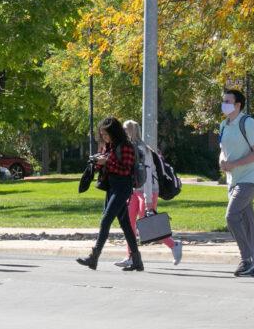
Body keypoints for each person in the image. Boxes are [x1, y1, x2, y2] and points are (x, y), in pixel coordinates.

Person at [77, 116, 144, 272]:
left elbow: (125, 169)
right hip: (111, 187)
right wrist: (97, 162)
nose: (104, 138)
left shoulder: (125, 146)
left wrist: (106, 162)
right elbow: (106, 167)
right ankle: (137, 260)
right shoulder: (109, 146)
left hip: (122, 187)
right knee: (125, 224)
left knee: (106, 219)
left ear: (114, 132)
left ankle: (94, 257)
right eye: (102, 135)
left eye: (106, 135)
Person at [118, 120, 181, 267]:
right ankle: (131, 256)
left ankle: (174, 245)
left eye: (124, 130)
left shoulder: (142, 149)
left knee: (147, 225)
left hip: (148, 191)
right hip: (134, 192)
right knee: (129, 224)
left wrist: (147, 201)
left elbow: (146, 177)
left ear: (132, 131)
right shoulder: (128, 148)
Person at [219, 89, 254, 278]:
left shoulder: (248, 123)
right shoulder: (223, 125)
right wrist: (221, 161)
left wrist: (234, 164)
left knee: (232, 215)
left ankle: (246, 259)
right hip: (233, 180)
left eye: (227, 101)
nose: (224, 104)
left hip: (249, 179)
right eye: (223, 101)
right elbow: (223, 149)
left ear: (238, 104)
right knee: (247, 225)